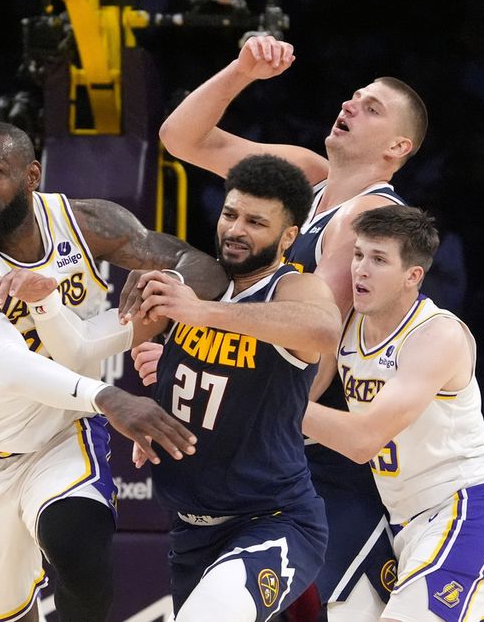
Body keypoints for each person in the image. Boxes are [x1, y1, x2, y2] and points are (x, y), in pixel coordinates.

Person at [159, 35, 428, 620]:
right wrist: (241, 71)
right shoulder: (305, 178)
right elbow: (181, 139)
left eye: (372, 107)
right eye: (354, 96)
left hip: (311, 448)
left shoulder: (366, 216)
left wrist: (234, 411)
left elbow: (317, 343)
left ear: (398, 146)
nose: (351, 105)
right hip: (272, 437)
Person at [0, 121, 224, 622]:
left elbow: (204, 268)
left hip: (59, 435)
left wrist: (168, 281)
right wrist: (109, 397)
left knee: (81, 556)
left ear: (32, 175)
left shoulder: (87, 222)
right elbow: (9, 367)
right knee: (4, 614)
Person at [125, 155, 340, 620]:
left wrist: (201, 313)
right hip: (191, 531)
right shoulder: (200, 281)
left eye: (256, 222)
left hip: (273, 522)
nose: (236, 229)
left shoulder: (292, 289)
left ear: (288, 237)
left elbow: (324, 331)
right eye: (230, 214)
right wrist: (162, 392)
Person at [302, 205, 484, 620]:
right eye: (359, 255)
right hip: (408, 525)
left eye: (379, 259)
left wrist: (274, 406)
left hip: (464, 512)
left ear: (413, 276)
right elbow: (301, 391)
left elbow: (362, 440)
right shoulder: (346, 324)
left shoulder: (437, 334)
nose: (360, 270)